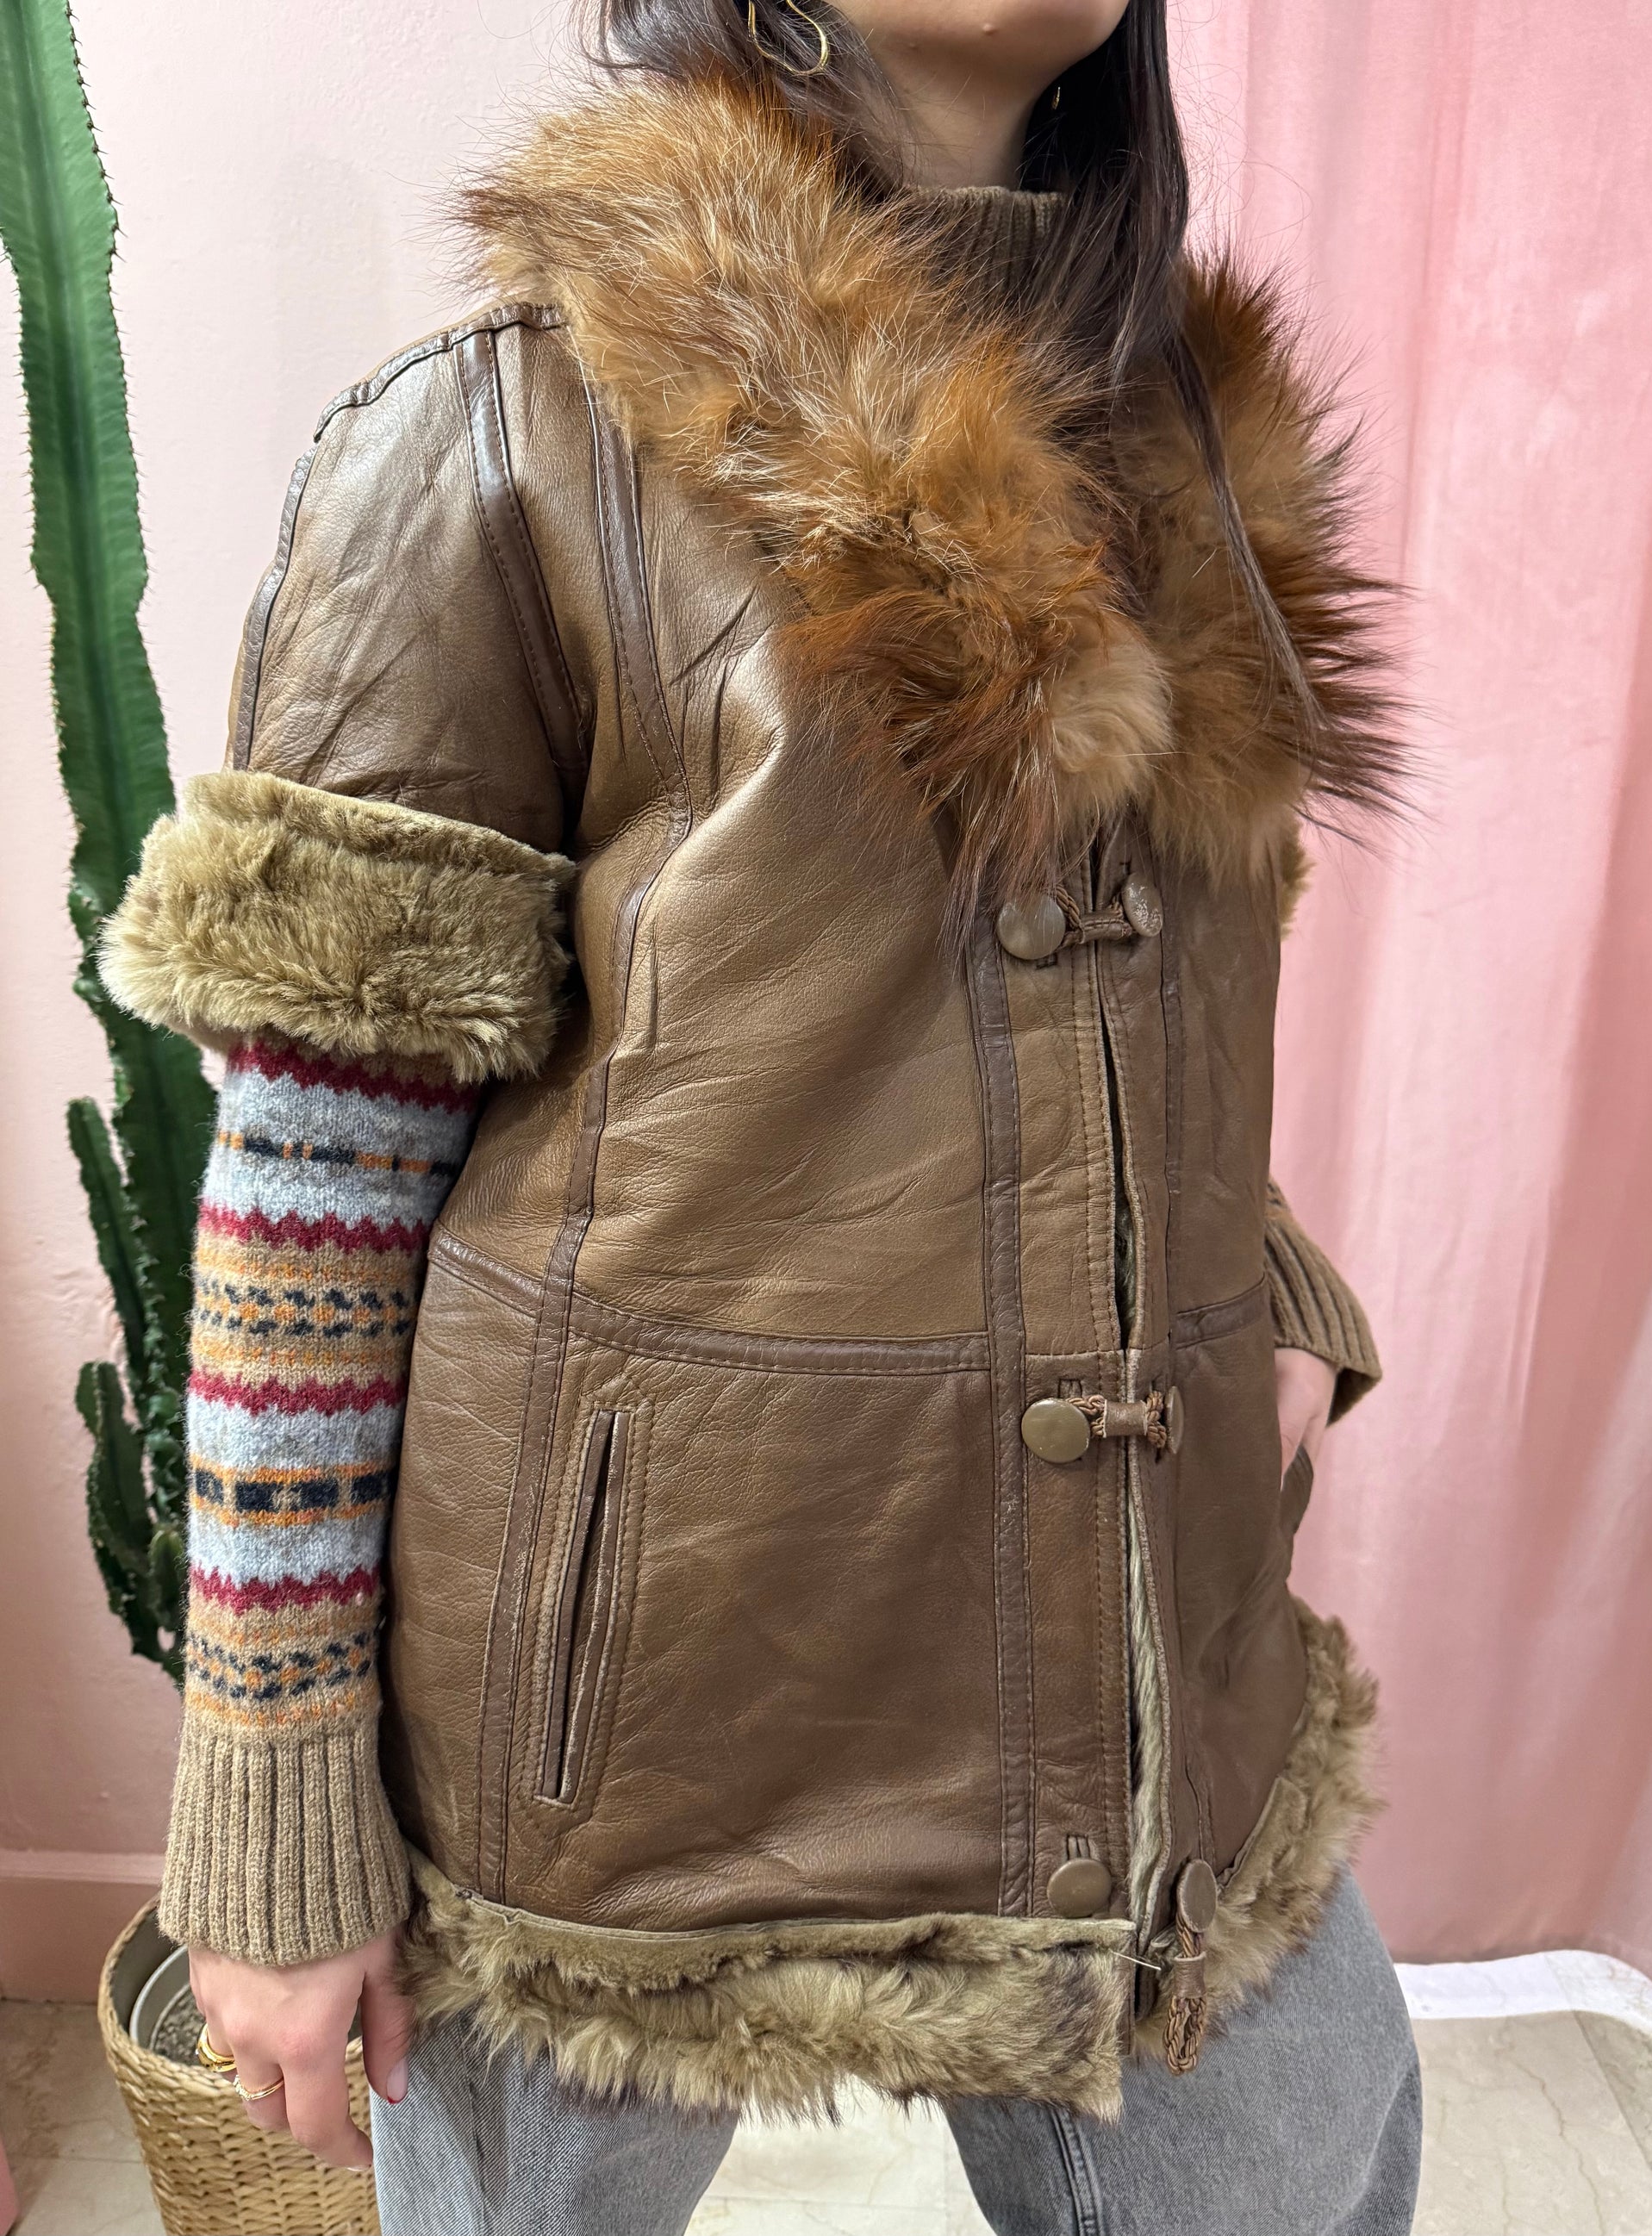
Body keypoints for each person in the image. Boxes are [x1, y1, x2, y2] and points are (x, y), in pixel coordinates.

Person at [102, 2, 1423, 2229]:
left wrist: (1239, 1305)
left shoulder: (1190, 444)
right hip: (616, 1738)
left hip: (1143, 1685)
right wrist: (275, 1786)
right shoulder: (503, 435)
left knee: (1310, 2160)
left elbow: (1141, 1027)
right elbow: (315, 1180)